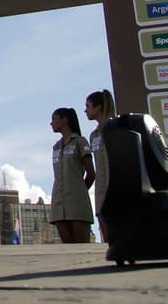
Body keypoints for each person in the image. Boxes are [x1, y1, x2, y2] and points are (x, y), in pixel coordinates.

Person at [50, 106, 96, 243]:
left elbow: (91, 174)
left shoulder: (80, 142)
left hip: (77, 203)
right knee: (67, 248)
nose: (51, 123)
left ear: (64, 120)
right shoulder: (56, 147)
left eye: (54, 119)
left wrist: (79, 192)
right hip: (58, 203)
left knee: (81, 246)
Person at [84, 89, 115, 243]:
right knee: (104, 229)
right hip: (100, 187)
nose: (86, 110)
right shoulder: (93, 135)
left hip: (116, 185)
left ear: (98, 107)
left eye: (88, 106)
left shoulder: (116, 127)